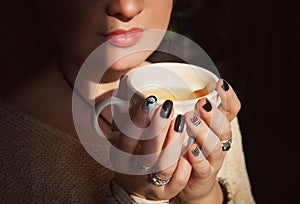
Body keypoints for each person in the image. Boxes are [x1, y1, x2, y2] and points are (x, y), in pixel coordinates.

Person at [0, 0, 255, 203]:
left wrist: (204, 196)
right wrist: (135, 198)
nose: (126, 7)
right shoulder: (11, 150)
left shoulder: (204, 101)